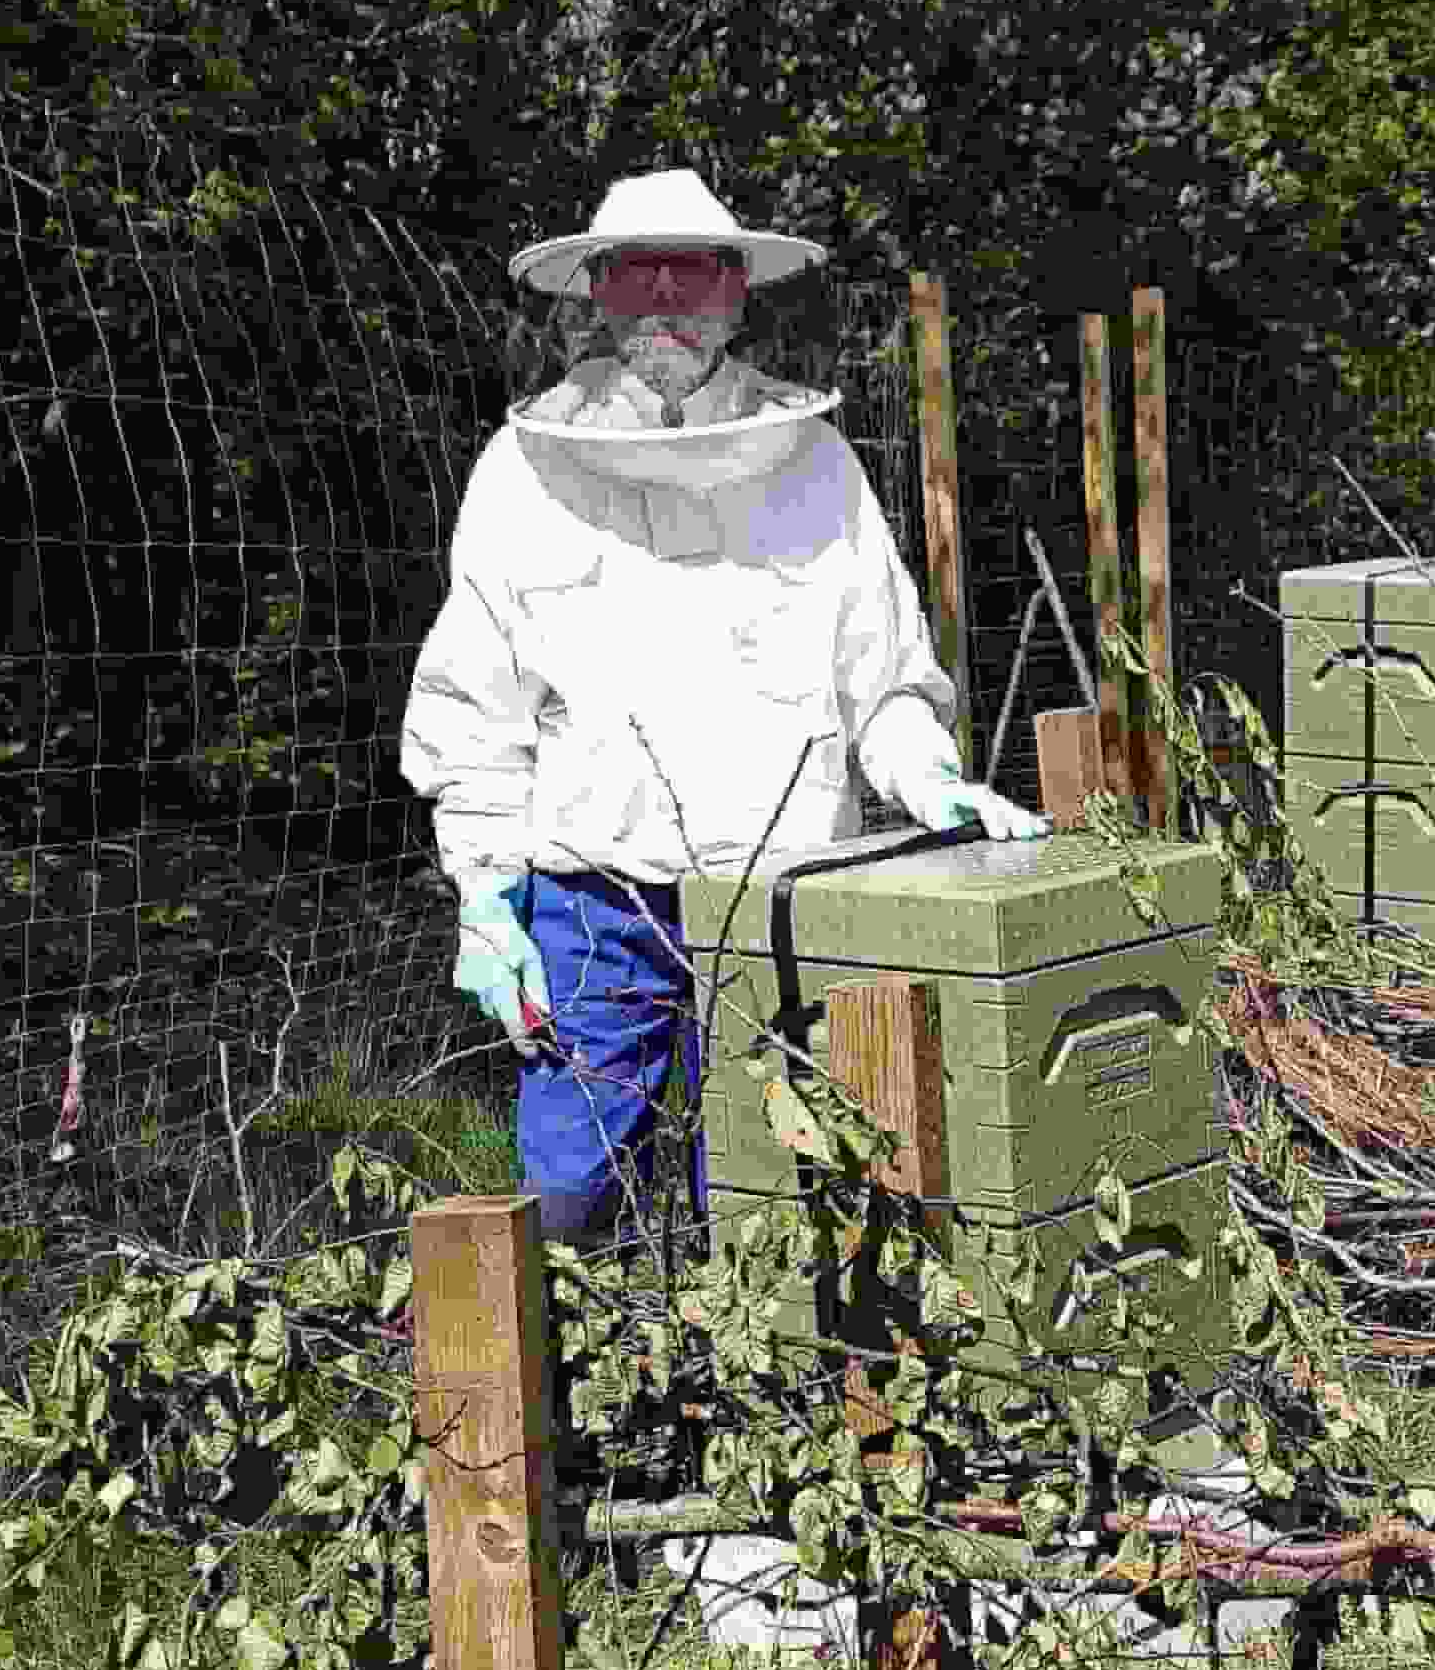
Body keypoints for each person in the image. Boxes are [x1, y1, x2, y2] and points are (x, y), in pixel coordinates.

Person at [399, 167, 1046, 1251]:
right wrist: (482, 890)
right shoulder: (521, 471)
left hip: (786, 894)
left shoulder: (818, 468)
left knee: (777, 1193)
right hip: (590, 896)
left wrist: (930, 779)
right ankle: (557, 1400)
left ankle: (767, 1400)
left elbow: (882, 680)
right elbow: (477, 703)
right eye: (635, 271)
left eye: (691, 269)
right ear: (594, 291)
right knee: (567, 1196)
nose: (664, 296)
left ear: (737, 289)